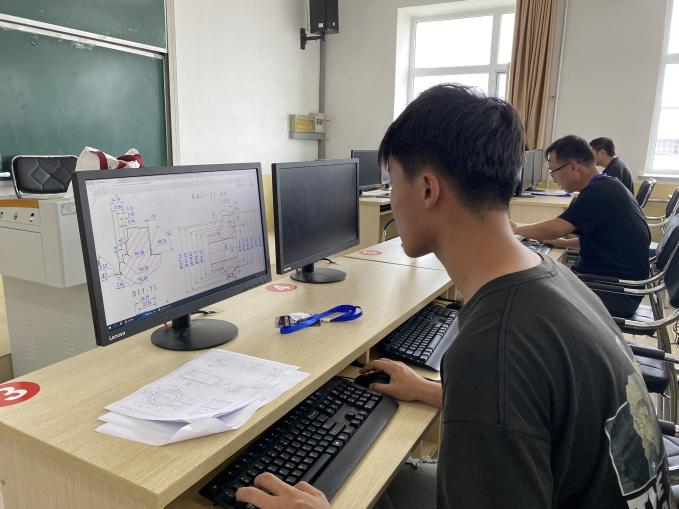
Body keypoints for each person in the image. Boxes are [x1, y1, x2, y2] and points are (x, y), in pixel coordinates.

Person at [235, 85, 671, 508]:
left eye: (393, 183)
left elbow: (503, 386)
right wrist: (430, 390)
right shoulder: (553, 278)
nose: (391, 198)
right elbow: (530, 410)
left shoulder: (494, 348)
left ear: (428, 189)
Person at [512, 135, 650, 318]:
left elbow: (557, 228)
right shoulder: (607, 184)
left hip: (615, 291)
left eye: (553, 172)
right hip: (613, 284)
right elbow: (605, 239)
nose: (555, 180)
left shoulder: (598, 192)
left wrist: (515, 229)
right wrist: (564, 243)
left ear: (573, 167)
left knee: (530, 293)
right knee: (542, 279)